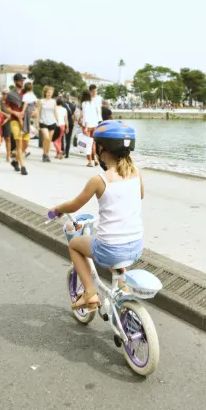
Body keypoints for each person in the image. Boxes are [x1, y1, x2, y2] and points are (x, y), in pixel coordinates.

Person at [48, 120, 144, 311]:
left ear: (102, 148)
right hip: (136, 246)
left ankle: (90, 293)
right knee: (113, 248)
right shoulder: (136, 172)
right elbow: (139, 196)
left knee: (75, 245)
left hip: (110, 249)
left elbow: (74, 205)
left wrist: (58, 208)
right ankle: (122, 289)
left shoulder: (98, 180)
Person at [5, 73, 30, 176]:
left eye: (23, 80)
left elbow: (29, 103)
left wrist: (24, 112)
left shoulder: (26, 93)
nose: (22, 82)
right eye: (20, 80)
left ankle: (15, 160)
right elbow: (7, 108)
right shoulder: (10, 94)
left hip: (25, 120)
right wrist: (15, 113)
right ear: (15, 81)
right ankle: (22, 166)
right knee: (19, 144)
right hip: (14, 121)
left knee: (26, 144)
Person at [37, 86, 58, 162]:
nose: (49, 94)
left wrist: (58, 121)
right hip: (43, 122)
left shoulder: (54, 101)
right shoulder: (41, 101)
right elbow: (38, 112)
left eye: (51, 93)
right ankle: (44, 153)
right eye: (48, 92)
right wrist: (36, 123)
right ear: (45, 93)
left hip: (52, 122)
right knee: (46, 137)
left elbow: (55, 112)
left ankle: (47, 154)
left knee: (49, 140)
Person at [80, 89, 100, 167]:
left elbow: (86, 115)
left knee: (87, 144)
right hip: (94, 125)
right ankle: (95, 159)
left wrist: (86, 127)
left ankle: (89, 162)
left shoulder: (84, 103)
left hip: (87, 126)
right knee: (93, 143)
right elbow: (96, 115)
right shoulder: (93, 103)